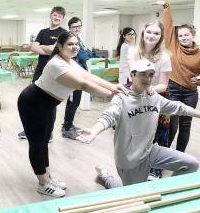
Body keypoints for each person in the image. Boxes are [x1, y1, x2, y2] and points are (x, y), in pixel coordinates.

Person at [17, 31, 127, 197]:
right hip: (33, 103)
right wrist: (112, 94)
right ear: (60, 46)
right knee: (37, 143)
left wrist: (112, 86)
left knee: (45, 141)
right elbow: (82, 84)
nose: (74, 47)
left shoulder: (69, 61)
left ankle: (48, 177)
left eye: (76, 44)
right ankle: (43, 183)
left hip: (48, 103)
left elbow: (87, 75)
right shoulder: (56, 64)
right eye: (70, 44)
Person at [77, 59, 200, 189]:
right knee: (130, 196)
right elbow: (109, 115)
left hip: (150, 151)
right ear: (132, 75)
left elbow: (179, 107)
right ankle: (106, 176)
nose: (148, 78)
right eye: (143, 74)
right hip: (130, 159)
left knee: (191, 164)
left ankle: (169, 192)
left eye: (151, 75)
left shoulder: (153, 97)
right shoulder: (122, 98)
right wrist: (94, 130)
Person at [154, 0, 200, 153]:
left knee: (185, 125)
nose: (183, 38)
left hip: (190, 93)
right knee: (172, 125)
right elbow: (168, 28)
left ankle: (179, 156)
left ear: (192, 35)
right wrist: (167, 7)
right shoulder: (173, 46)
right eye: (180, 35)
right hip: (173, 90)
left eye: (186, 35)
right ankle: (165, 155)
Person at [127, 20, 172, 180]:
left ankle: (156, 169)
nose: (151, 36)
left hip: (156, 97)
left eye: (156, 33)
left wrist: (151, 88)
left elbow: (163, 85)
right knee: (137, 134)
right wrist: (143, 87)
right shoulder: (133, 51)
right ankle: (137, 165)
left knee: (159, 135)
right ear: (143, 33)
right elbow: (133, 75)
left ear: (160, 37)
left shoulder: (165, 57)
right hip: (136, 96)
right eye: (149, 32)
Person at [18, 6, 67, 139]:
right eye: (55, 15)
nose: (57, 18)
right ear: (50, 15)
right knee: (34, 100)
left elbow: (55, 50)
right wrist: (48, 48)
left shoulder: (63, 34)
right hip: (40, 70)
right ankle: (31, 130)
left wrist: (44, 47)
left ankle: (48, 133)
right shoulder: (43, 31)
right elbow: (33, 47)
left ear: (62, 19)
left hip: (54, 72)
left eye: (60, 16)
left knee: (50, 103)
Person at [61, 16, 94, 139]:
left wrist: (86, 53)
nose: (77, 28)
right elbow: (84, 54)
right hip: (73, 75)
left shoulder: (78, 39)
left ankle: (68, 124)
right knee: (73, 102)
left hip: (80, 74)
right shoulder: (70, 39)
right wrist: (85, 53)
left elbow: (88, 53)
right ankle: (67, 128)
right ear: (69, 27)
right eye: (75, 26)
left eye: (79, 26)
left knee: (75, 102)